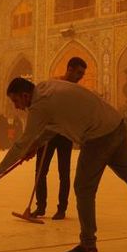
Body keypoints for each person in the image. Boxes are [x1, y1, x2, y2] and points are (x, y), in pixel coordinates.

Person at [0, 77, 127, 252]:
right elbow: (56, 123)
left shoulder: (39, 105)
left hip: (97, 136)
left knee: (83, 188)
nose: (16, 107)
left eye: (16, 101)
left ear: (25, 95)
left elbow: (21, 144)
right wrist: (37, 144)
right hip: (116, 124)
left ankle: (88, 244)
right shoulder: (47, 87)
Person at [32, 57, 85, 220]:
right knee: (40, 171)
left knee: (64, 172)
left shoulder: (76, 91)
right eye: (78, 73)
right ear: (69, 69)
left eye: (82, 74)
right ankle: (40, 207)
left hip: (64, 135)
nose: (80, 77)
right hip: (48, 133)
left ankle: (62, 208)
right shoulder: (54, 84)